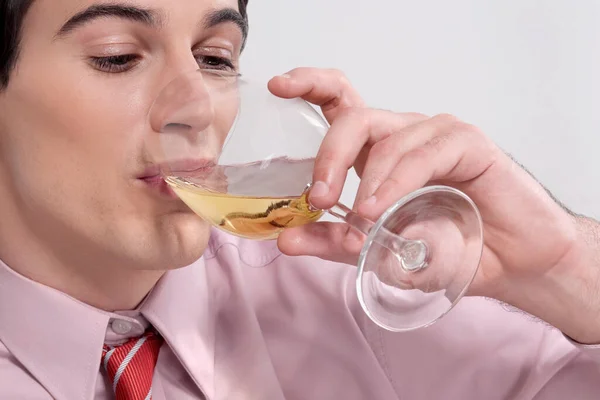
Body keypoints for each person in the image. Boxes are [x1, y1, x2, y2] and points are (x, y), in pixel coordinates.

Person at [0, 0, 598, 399]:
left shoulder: (344, 291)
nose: (198, 107)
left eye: (214, 59)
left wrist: (564, 266)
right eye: (118, 57)